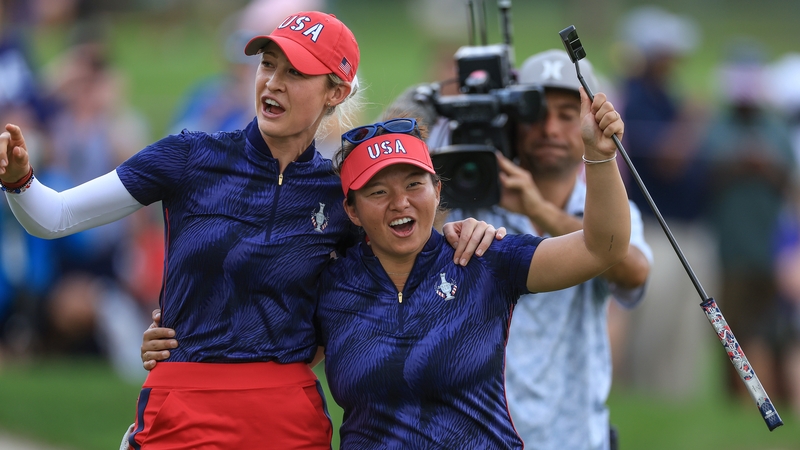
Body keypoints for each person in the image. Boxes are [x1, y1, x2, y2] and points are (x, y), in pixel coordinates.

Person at [0, 11, 497, 449]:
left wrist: (464, 231)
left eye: (295, 72)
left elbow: (397, 266)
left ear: (335, 92)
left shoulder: (340, 194)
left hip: (287, 416)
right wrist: (18, 179)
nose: (272, 83)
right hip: (183, 405)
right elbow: (55, 217)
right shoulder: (189, 157)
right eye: (267, 65)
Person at [144, 80, 631, 447]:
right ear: (351, 211)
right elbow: (265, 341)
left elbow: (600, 248)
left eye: (414, 185)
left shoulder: (484, 259)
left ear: (438, 193)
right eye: (378, 191)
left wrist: (599, 156)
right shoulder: (331, 284)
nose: (400, 203)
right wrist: (179, 339)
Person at [442, 49, 652, 450]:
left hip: (576, 437)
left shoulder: (612, 211)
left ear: (590, 122)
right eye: (536, 112)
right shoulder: (470, 204)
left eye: (568, 115)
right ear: (513, 122)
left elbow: (634, 272)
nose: (550, 128)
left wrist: (537, 210)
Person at [613, 5, 715, 398]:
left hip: (684, 228)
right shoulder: (636, 100)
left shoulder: (665, 96)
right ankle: (642, 395)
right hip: (655, 230)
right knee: (652, 329)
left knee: (681, 333)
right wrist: (692, 120)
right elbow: (669, 161)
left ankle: (670, 401)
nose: (674, 60)